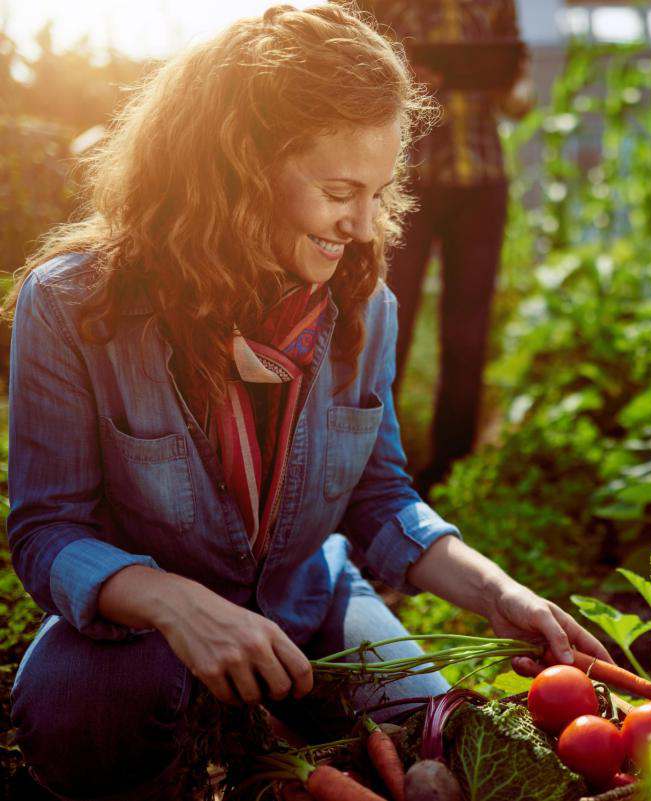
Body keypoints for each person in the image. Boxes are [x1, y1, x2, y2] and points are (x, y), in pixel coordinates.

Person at [3, 6, 606, 800]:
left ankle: (269, 750)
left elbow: (381, 496)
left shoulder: (365, 307)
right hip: (141, 628)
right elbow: (49, 532)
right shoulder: (76, 305)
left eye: (378, 192)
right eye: (338, 191)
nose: (363, 227)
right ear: (238, 170)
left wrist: (498, 592)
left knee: (443, 737)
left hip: (307, 599)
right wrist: (173, 601)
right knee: (78, 716)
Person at [365, 0, 534, 494]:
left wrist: (507, 88)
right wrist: (404, 80)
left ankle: (450, 467)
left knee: (468, 331)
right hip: (401, 182)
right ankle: (372, 465)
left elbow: (519, 92)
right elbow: (344, 67)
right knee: (386, 322)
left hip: (481, 180)